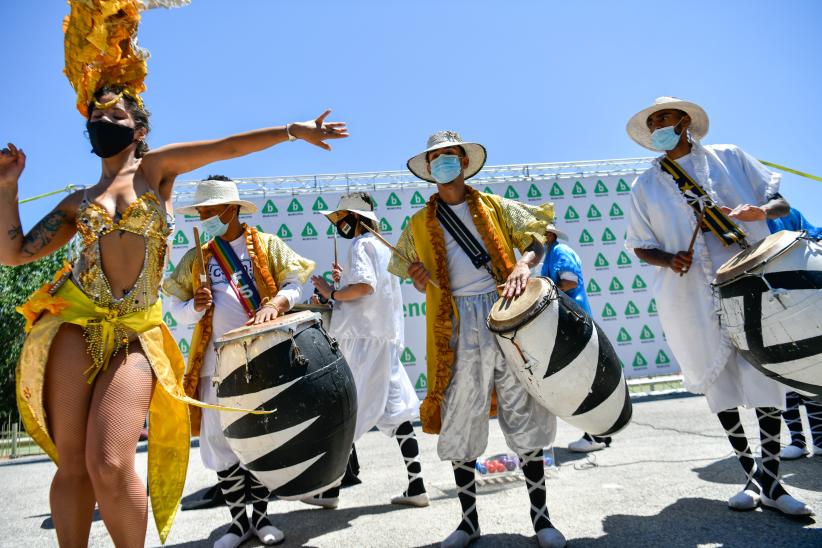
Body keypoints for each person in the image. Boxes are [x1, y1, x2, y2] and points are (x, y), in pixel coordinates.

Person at [2, 6, 348, 544]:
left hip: (136, 333)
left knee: (111, 463)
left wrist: (292, 130)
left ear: (139, 129)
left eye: (114, 114)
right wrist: (7, 188)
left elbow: (226, 148)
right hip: (76, 325)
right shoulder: (78, 201)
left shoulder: (155, 171)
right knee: (71, 466)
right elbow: (15, 253)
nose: (101, 120)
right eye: (94, 114)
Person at [624, 96, 812, 516]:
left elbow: (779, 203)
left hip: (750, 279)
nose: (659, 125)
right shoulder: (646, 185)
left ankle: (774, 484)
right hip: (690, 292)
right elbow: (639, 246)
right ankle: (750, 476)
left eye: (665, 118)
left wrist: (758, 210)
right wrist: (670, 258)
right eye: (653, 121)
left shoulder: (731, 157)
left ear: (685, 121)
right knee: (720, 382)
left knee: (764, 373)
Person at [388, 131, 566, 548]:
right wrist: (417, 277)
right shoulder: (417, 223)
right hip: (455, 324)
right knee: (461, 415)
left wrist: (524, 264)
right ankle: (469, 523)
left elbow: (545, 233)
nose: (443, 164)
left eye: (450, 156)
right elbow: (409, 270)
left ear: (464, 163)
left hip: (505, 311)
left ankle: (542, 520)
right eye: (436, 158)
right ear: (428, 169)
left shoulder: (494, 206)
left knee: (524, 409)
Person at [163, 176, 316, 547]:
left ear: (230, 209)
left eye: (210, 210)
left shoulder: (264, 245)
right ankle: (237, 523)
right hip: (217, 365)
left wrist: (274, 303)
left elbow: (299, 284)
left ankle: (262, 519)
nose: (204, 217)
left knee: (262, 440)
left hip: (264, 359)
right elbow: (175, 308)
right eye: (200, 212)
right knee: (220, 441)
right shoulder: (197, 257)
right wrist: (193, 308)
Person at [308, 192, 427, 509]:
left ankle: (329, 490)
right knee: (397, 412)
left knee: (347, 412)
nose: (340, 225)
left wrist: (329, 289)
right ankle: (417, 486)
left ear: (355, 219)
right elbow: (367, 288)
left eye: (343, 218)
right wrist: (341, 284)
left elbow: (364, 287)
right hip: (384, 339)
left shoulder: (360, 245)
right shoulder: (382, 248)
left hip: (363, 341)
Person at [538, 224, 610, 453]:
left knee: (585, 381)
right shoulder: (553, 252)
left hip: (574, 320)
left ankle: (596, 436)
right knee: (584, 380)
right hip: (571, 320)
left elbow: (570, 282)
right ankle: (598, 435)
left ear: (549, 235)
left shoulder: (560, 252)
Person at [766, 207, 822, 459]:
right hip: (764, 305)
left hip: (801, 298)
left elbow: (813, 234)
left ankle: (820, 439)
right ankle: (797, 440)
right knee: (781, 378)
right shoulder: (736, 215)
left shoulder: (788, 212)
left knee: (810, 373)